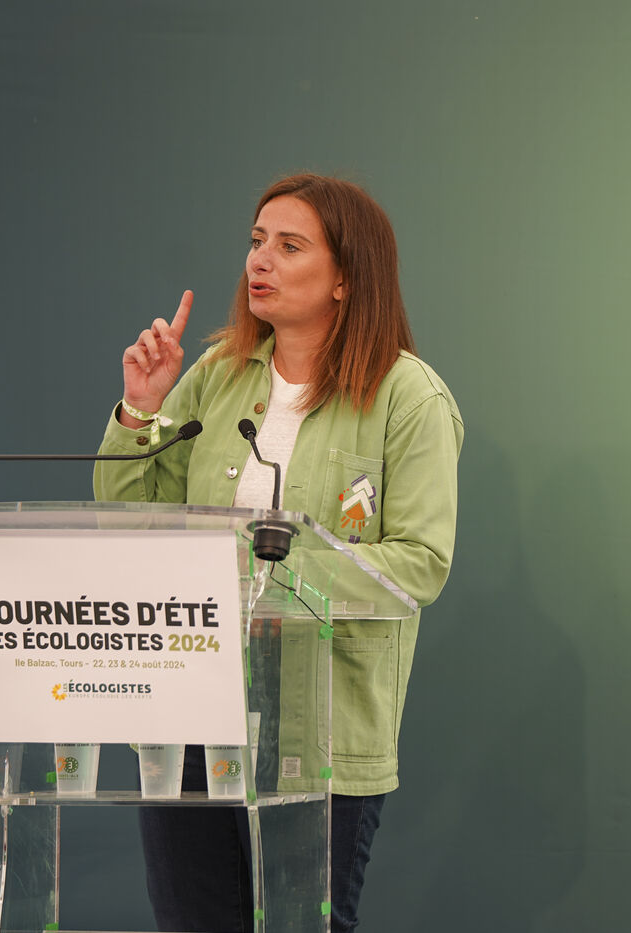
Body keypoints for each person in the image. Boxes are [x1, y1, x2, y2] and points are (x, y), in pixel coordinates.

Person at [94, 174, 463, 932]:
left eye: (290, 246)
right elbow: (132, 523)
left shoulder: (408, 396)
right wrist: (141, 409)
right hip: (188, 714)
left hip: (317, 732)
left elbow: (419, 562)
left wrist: (260, 576)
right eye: (257, 241)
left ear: (345, 278)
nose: (260, 260)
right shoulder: (215, 376)